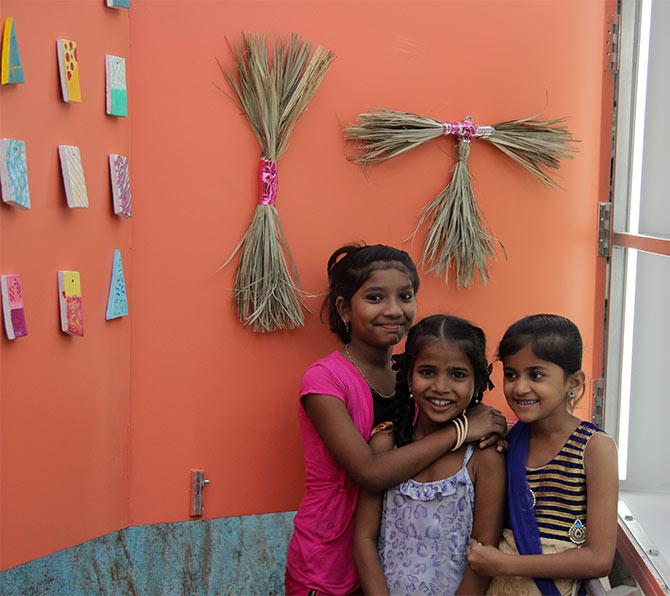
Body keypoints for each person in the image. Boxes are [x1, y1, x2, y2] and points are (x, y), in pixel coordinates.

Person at [285, 244, 508, 595]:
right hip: (329, 563)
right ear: (344, 308)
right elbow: (370, 473)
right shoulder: (323, 380)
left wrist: (492, 431)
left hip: (398, 566)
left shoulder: (413, 377)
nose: (393, 310)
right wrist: (461, 430)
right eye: (375, 298)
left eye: (405, 296)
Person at [353, 315, 506, 595]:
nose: (440, 387)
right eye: (427, 372)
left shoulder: (484, 457)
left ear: (478, 381)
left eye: (458, 375)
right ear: (409, 375)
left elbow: (482, 556)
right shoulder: (387, 445)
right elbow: (364, 538)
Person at [467, 314, 619, 596]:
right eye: (511, 374)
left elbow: (599, 559)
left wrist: (506, 565)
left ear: (573, 382)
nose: (520, 387)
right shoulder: (508, 441)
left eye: (535, 375)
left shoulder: (594, 448)